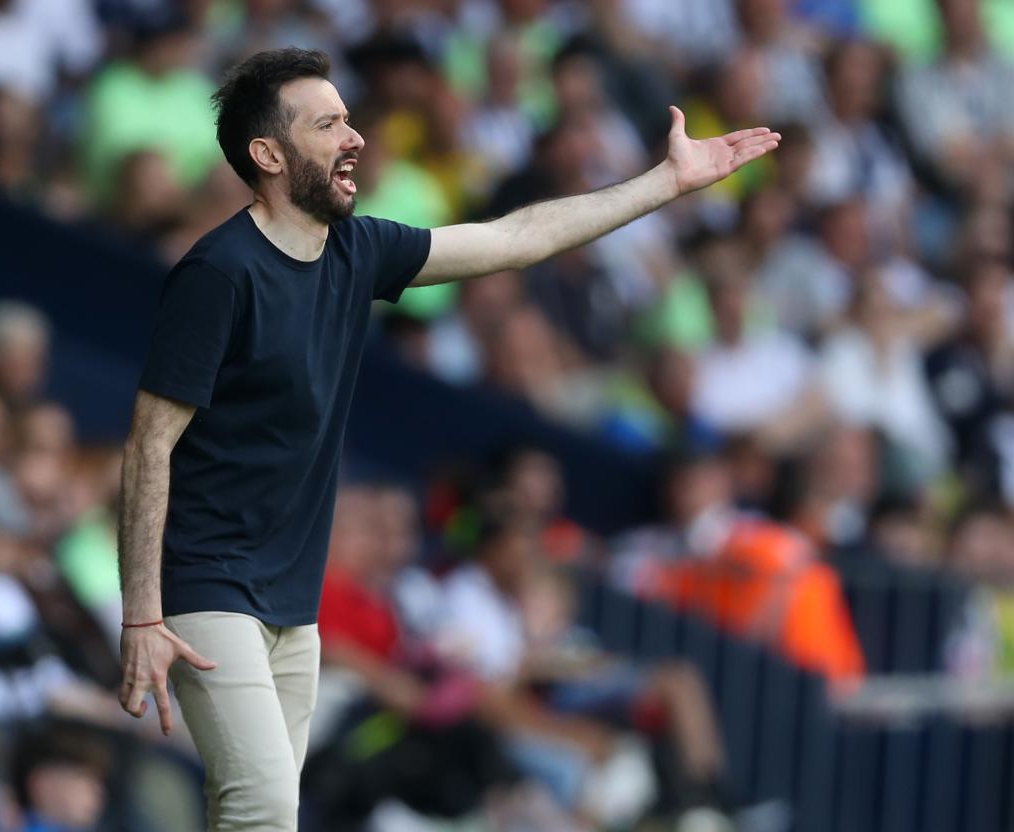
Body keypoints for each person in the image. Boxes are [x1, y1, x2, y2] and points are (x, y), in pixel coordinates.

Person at [115, 46, 779, 830]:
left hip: (292, 604)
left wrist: (664, 184)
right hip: (207, 589)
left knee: (261, 816)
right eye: (328, 124)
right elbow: (148, 445)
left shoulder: (357, 251)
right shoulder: (219, 272)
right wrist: (143, 617)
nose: (355, 138)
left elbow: (515, 238)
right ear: (268, 154)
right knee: (262, 809)